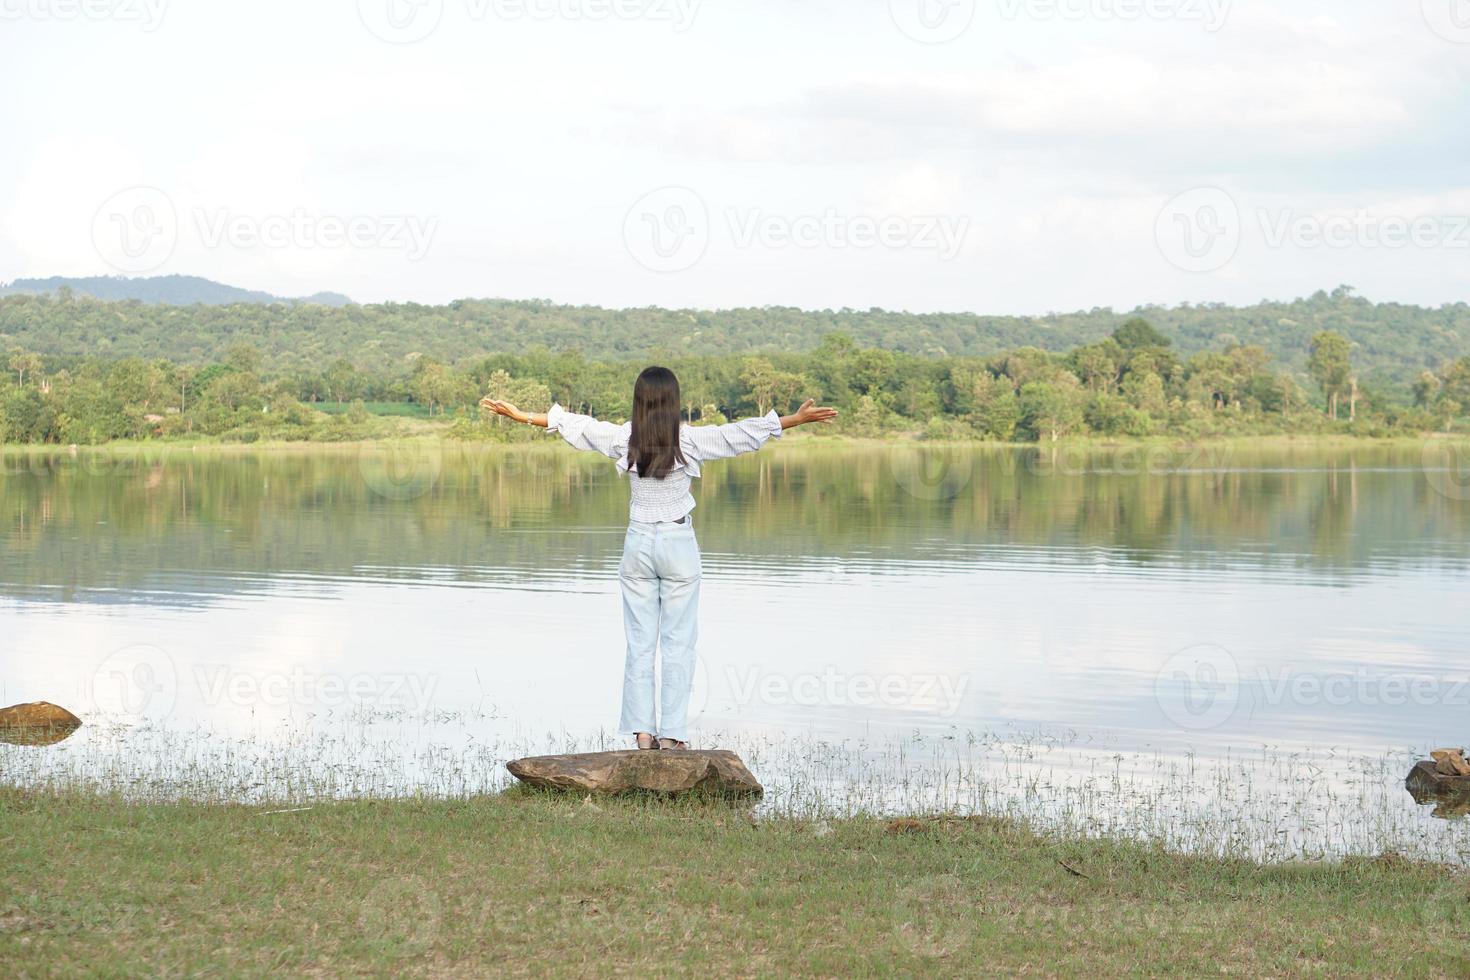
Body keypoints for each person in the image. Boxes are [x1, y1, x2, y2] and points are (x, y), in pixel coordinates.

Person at [481, 366, 837, 751]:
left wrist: (523, 416)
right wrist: (794, 420)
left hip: (637, 546)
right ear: (674, 401)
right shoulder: (691, 440)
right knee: (678, 643)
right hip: (677, 544)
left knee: (640, 643)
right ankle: (671, 736)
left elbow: (578, 426)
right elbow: (741, 434)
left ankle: (643, 733)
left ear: (638, 401)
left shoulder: (624, 438)